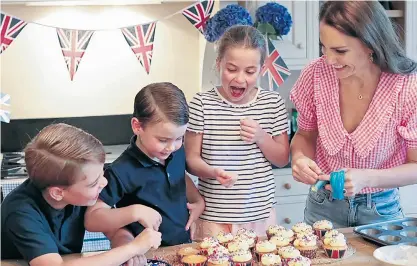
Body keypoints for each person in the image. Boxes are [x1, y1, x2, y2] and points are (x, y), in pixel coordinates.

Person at [290, 1, 417, 228]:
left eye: (340, 51)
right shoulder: (315, 74)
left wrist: (368, 178)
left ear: (371, 45)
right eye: (323, 48)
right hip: (322, 204)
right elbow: (305, 134)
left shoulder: (407, 87)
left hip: (381, 209)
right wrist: (299, 158)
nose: (329, 60)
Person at [1, 123, 161, 266]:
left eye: (102, 173)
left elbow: (114, 230)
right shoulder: (20, 212)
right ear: (57, 193)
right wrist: (133, 248)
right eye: (93, 183)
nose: (104, 183)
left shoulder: (81, 194)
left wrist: (126, 247)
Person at [185, 25, 290, 239]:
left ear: (261, 70)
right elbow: (191, 160)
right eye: (231, 69)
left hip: (259, 216)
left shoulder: (272, 104)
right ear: (218, 64)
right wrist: (213, 172)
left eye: (250, 72)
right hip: (213, 217)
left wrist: (261, 137)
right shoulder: (202, 104)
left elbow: (282, 158)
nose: (240, 79)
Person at [85, 82, 205, 250]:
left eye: (179, 138)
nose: (171, 147)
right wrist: (134, 211)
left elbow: (179, 176)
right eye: (163, 140)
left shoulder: (175, 152)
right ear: (137, 126)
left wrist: (198, 201)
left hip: (182, 248)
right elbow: (92, 219)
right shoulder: (121, 171)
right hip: (148, 254)